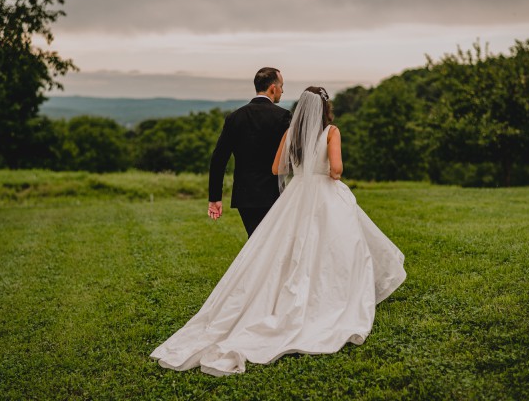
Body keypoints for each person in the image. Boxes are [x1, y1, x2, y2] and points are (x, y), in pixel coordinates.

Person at [150, 86, 406, 376]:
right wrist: (329, 170)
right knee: (334, 244)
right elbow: (336, 170)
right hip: (324, 194)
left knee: (290, 248)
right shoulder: (331, 131)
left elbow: (276, 169)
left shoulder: (291, 134)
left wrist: (302, 168)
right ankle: (332, 294)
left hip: (296, 194)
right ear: (325, 108)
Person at [207, 67, 292, 236]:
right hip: (273, 193)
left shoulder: (235, 117)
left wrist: (215, 197)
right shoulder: (283, 116)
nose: (282, 91)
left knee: (256, 242)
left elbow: (219, 159)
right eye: (281, 86)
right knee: (272, 244)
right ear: (273, 88)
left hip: (245, 196)